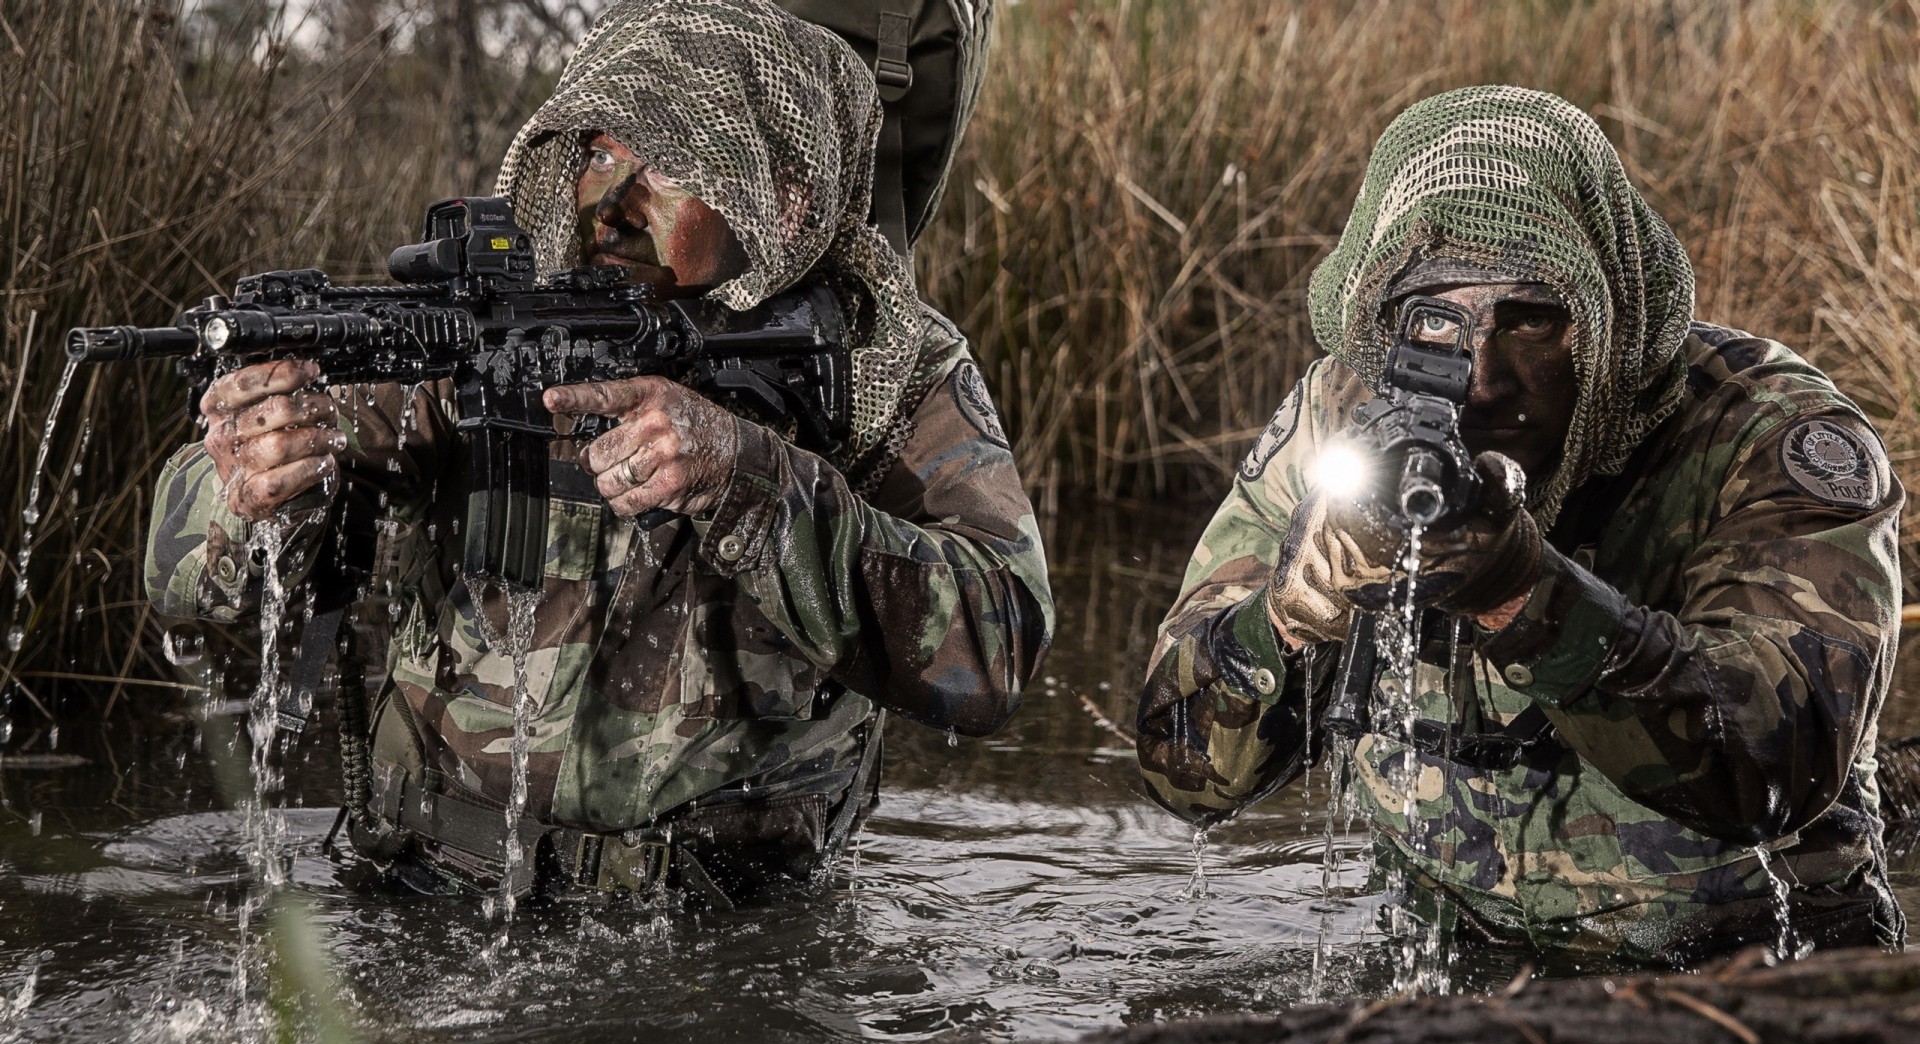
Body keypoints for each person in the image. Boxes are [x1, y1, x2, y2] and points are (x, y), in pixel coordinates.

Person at [145, 0, 1052, 906]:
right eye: (599, 151)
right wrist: (252, 486)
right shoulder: (479, 327)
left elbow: (997, 645)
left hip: (726, 937)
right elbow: (179, 578)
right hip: (422, 897)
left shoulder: (877, 355)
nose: (610, 204)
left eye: (667, 164)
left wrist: (754, 485)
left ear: (784, 196)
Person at [1134, 86, 1905, 965]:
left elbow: (1780, 768)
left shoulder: (1766, 434)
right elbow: (1177, 774)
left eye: (1532, 317)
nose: (1485, 380)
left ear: (1606, 317)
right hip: (1449, 968)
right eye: (1436, 320)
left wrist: (1521, 597)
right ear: (1380, 322)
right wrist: (1284, 623)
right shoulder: (1337, 423)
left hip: (1752, 980)